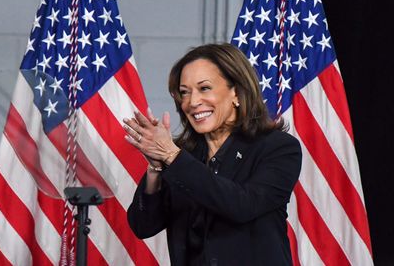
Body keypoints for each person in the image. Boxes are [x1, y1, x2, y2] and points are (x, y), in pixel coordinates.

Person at [124, 43, 302, 265]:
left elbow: (242, 206)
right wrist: (155, 169)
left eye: (204, 88)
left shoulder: (279, 148)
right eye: (184, 92)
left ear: (237, 91)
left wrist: (171, 156)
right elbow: (143, 226)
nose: (193, 102)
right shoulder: (182, 155)